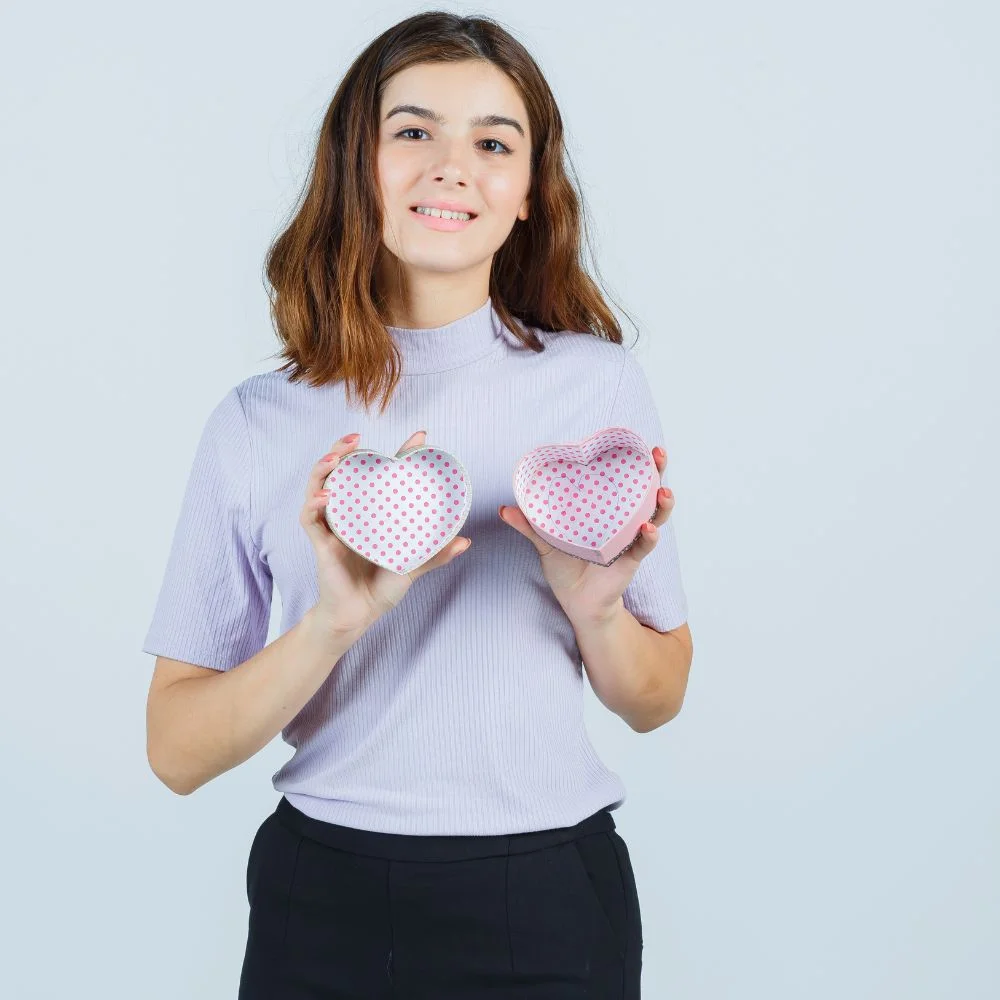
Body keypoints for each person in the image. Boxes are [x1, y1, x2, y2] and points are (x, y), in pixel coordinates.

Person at [142, 10, 693, 999]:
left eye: (493, 143)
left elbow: (655, 702)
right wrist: (332, 624)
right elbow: (175, 754)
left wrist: (597, 609)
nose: (451, 167)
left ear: (529, 194)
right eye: (412, 130)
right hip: (324, 900)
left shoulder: (597, 390)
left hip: (547, 901)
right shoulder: (259, 421)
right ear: (357, 166)